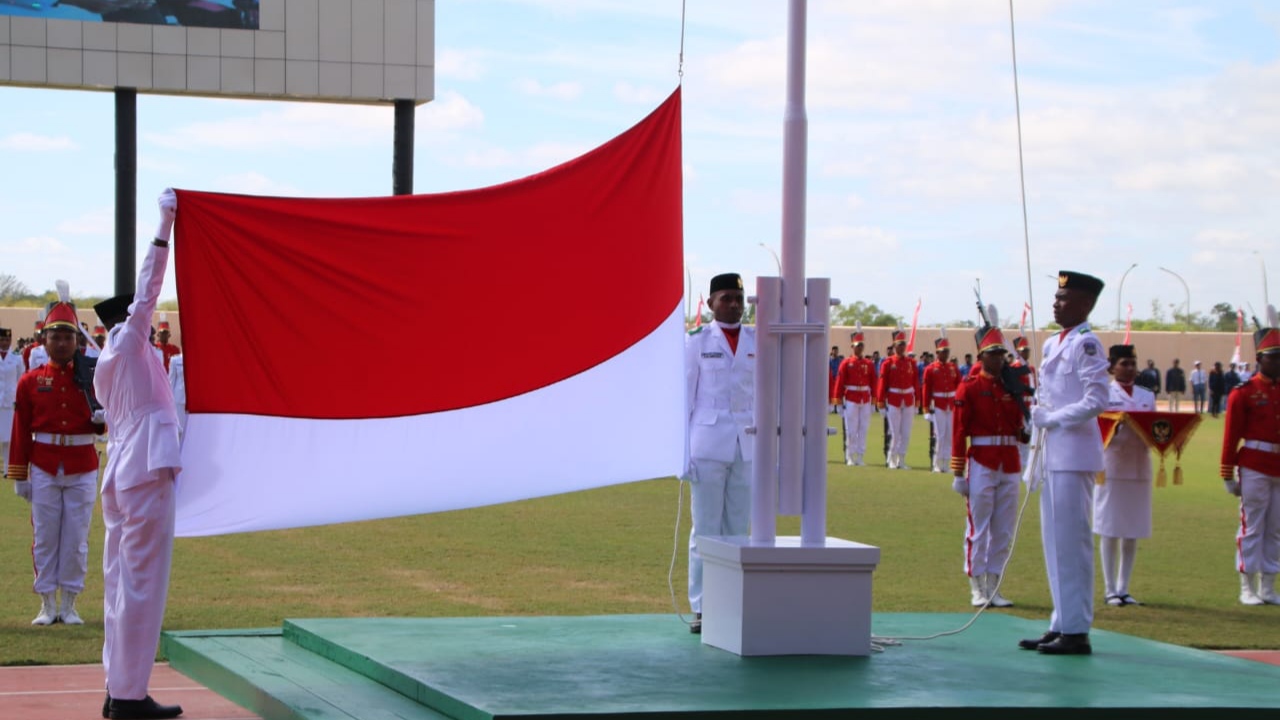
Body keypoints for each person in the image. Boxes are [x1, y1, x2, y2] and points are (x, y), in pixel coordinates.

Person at [93, 189, 185, 720]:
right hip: (145, 471)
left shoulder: (109, 362)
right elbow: (148, 287)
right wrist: (164, 226)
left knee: (120, 584)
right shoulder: (128, 342)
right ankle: (129, 696)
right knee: (142, 586)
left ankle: (117, 688)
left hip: (124, 472)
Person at [1020, 270, 1109, 656]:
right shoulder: (1054, 342)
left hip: (1073, 455)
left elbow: (1097, 400)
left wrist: (1053, 419)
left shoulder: (1086, 344)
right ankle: (1062, 621)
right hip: (1052, 454)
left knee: (1073, 545)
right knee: (1055, 544)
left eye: (1064, 299)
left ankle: (1077, 630)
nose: (1056, 304)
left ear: (1085, 304)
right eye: (1056, 298)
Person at [7, 286, 104, 627]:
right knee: (45, 537)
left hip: (82, 464)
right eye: (56, 337)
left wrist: (102, 420)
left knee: (76, 539)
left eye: (68, 337)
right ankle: (47, 603)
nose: (62, 343)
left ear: (77, 341)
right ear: (43, 340)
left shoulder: (93, 378)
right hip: (45, 465)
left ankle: (70, 603)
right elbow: (20, 429)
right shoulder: (31, 381)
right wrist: (19, 474)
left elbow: (107, 422)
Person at [683, 272, 754, 636]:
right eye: (726, 298)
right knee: (707, 529)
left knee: (738, 529)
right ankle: (702, 606)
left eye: (738, 298)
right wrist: (681, 453)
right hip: (707, 444)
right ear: (710, 302)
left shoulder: (756, 340)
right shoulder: (697, 340)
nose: (733, 304)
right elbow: (683, 397)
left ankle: (733, 602)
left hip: (746, 443)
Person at [951, 323, 1025, 608]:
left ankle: (994, 584)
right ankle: (977, 584)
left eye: (1001, 354)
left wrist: (1027, 426)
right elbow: (959, 431)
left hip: (1010, 461)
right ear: (981, 356)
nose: (998, 359)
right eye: (993, 354)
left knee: (1003, 530)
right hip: (982, 460)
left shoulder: (1012, 386)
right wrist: (958, 472)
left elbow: (1019, 426)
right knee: (978, 528)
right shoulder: (969, 387)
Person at [1219, 313, 1280, 606]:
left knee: (1275, 529)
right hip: (1254, 464)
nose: (1278, 363)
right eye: (1273, 357)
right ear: (1259, 359)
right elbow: (1231, 436)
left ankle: (1268, 586)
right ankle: (1247, 585)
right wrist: (1227, 473)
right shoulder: (1243, 393)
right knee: (1252, 527)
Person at [1095, 345, 1156, 607]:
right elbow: (1096, 429)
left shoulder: (1146, 395)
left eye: (1133, 363)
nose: (1130, 368)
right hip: (1112, 467)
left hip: (1139, 466)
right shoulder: (1103, 394)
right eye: (1124, 363)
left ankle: (1124, 587)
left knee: (1132, 530)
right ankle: (1110, 588)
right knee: (1109, 529)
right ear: (1112, 367)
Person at [877, 331, 919, 470]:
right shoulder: (888, 363)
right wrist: (881, 403)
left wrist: (917, 402)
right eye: (899, 344)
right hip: (894, 399)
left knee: (906, 433)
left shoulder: (911, 363)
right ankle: (892, 458)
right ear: (894, 345)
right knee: (894, 432)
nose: (902, 347)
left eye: (903, 344)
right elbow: (882, 383)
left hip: (907, 399)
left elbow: (916, 383)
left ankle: (902, 459)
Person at [834, 328, 875, 466]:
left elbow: (873, 382)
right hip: (851, 398)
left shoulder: (868, 363)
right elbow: (840, 382)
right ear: (852, 346)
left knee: (863, 428)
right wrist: (838, 402)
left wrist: (874, 401)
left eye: (861, 345)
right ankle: (850, 455)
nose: (860, 348)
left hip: (865, 398)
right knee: (851, 429)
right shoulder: (846, 363)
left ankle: (860, 455)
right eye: (857, 346)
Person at [923, 335, 960, 473]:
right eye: (943, 351)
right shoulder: (931, 368)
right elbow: (926, 389)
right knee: (940, 435)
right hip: (938, 404)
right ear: (937, 353)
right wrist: (926, 409)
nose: (946, 354)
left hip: (951, 403)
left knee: (950, 435)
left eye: (947, 351)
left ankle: (946, 462)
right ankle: (937, 463)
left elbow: (959, 386)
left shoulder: (953, 367)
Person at [0, 328, 23, 477]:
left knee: (8, 438)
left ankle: (7, 469)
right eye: (2, 339)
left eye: (7, 340)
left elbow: (21, 379)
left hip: (9, 402)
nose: (5, 342)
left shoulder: (17, 358)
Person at [169, 353, 188, 439]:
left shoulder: (197, 359)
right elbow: (171, 381)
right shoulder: (175, 360)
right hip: (179, 398)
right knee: (179, 428)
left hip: (193, 401)